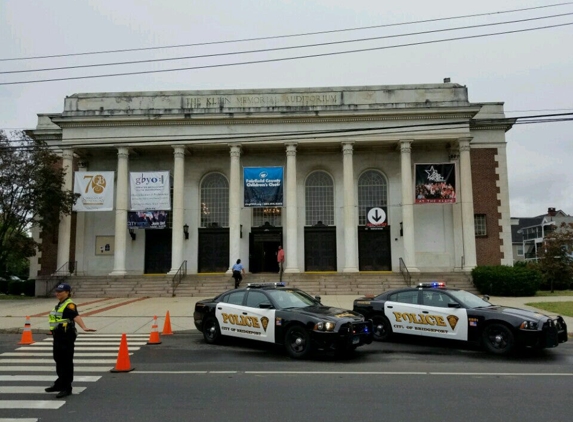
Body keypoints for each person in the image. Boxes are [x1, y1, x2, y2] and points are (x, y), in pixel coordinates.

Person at [45, 283, 96, 398]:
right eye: (57, 291)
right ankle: (59, 383)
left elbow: (75, 316)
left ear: (67, 292)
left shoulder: (69, 304)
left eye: (60, 291)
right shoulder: (60, 304)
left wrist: (84, 327)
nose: (57, 293)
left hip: (66, 335)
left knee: (66, 361)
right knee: (58, 359)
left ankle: (67, 387)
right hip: (58, 335)